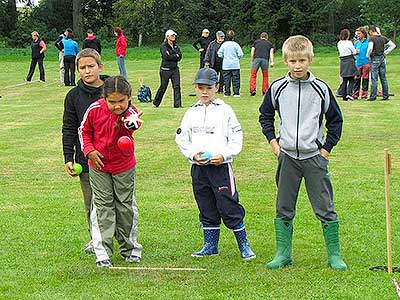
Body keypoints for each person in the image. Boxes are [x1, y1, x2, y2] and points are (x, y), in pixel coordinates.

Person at [259, 35, 346, 270]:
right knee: (284, 206)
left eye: (302, 60)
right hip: (287, 157)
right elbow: (265, 116)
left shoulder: (321, 89)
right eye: (293, 61)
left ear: (310, 60)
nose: (298, 66)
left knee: (325, 206)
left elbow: (335, 121)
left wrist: (326, 149)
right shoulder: (277, 88)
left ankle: (334, 256)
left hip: (314, 158)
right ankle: (283, 253)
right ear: (285, 61)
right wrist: (274, 144)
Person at [175, 68, 256, 261]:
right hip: (199, 169)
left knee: (228, 205)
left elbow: (236, 137)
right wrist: (193, 155)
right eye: (200, 87)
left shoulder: (225, 110)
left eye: (209, 88)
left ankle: (244, 244)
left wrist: (224, 155)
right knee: (206, 205)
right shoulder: (191, 113)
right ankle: (210, 245)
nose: (204, 92)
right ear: (195, 87)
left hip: (220, 168)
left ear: (216, 87)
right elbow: (181, 139)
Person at [79, 76, 143, 268]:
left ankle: (130, 249)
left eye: (121, 101)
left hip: (123, 166)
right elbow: (84, 131)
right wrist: (89, 151)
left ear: (129, 97)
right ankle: (102, 252)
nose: (117, 106)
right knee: (102, 206)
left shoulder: (130, 113)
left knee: (125, 205)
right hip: (98, 166)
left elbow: (134, 123)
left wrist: (130, 123)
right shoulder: (95, 110)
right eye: (112, 102)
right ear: (104, 98)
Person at [62, 48, 109, 255]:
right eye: (82, 68)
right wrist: (68, 158)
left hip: (113, 158)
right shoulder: (73, 96)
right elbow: (69, 128)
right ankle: (95, 239)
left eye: (91, 66)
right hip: (86, 159)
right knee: (91, 203)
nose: (87, 71)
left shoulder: (113, 89)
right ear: (78, 70)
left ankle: (121, 237)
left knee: (116, 202)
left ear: (100, 67)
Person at [153, 29, 182, 108]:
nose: (174, 37)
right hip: (165, 70)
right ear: (167, 37)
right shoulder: (163, 46)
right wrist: (175, 55)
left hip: (175, 69)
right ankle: (156, 103)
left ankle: (177, 105)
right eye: (172, 35)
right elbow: (166, 56)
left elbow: (180, 56)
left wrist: (174, 55)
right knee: (163, 87)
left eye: (174, 35)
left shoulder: (175, 46)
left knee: (177, 86)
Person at [367, 25, 396, 101]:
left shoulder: (372, 38)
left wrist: (368, 55)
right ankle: (385, 96)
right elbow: (393, 45)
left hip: (374, 58)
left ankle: (373, 96)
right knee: (383, 78)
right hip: (382, 58)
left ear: (371, 31)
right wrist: (385, 53)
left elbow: (370, 48)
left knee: (374, 78)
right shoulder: (383, 38)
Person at [217, 30, 243, 97]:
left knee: (226, 80)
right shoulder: (236, 45)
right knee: (236, 80)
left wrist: (224, 57)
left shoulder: (224, 45)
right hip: (235, 65)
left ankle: (227, 93)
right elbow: (240, 54)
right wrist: (236, 58)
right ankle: (236, 93)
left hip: (226, 65)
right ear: (233, 37)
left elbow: (219, 54)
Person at [249, 32, 275, 96]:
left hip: (256, 59)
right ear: (267, 37)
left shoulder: (256, 42)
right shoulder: (270, 44)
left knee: (253, 75)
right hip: (265, 60)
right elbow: (271, 53)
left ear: (260, 37)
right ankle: (265, 90)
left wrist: (252, 59)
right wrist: (272, 62)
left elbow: (252, 51)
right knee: (265, 76)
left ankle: (253, 90)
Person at [337, 29, 357, 101]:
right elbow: (354, 52)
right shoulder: (349, 43)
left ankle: (344, 95)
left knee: (344, 79)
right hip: (349, 60)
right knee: (351, 79)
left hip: (342, 61)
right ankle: (349, 94)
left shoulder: (339, 43)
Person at [352, 27, 370, 99]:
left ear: (363, 33)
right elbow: (353, 51)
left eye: (359, 33)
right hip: (358, 63)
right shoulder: (357, 43)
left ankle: (364, 94)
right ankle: (355, 94)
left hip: (366, 62)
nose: (358, 35)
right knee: (356, 79)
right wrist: (355, 52)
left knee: (365, 79)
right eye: (357, 34)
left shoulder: (368, 42)